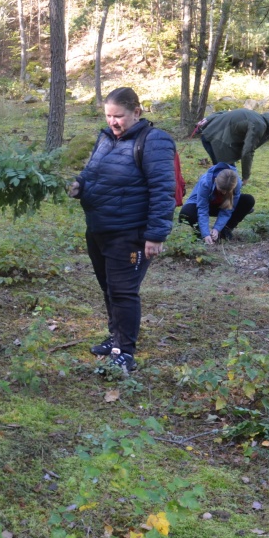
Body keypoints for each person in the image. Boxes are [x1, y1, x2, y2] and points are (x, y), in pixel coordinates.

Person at [68, 87, 176, 373]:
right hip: (99, 228)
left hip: (130, 232)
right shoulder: (105, 138)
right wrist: (79, 186)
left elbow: (163, 190)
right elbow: (91, 173)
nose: (113, 122)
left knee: (123, 291)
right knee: (108, 288)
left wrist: (155, 235)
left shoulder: (155, 141)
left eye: (119, 117)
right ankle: (115, 337)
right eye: (108, 116)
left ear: (137, 112)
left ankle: (125, 351)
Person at [195, 108, 269, 183]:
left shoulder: (255, 116)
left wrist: (205, 123)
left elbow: (225, 113)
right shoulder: (259, 126)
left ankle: (210, 190)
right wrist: (245, 177)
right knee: (228, 179)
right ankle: (206, 191)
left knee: (224, 175)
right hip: (216, 140)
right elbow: (248, 151)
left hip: (210, 134)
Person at [179, 163, 254, 244]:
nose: (224, 193)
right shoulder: (205, 182)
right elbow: (202, 209)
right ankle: (200, 233)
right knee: (186, 213)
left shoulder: (236, 183)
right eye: (221, 190)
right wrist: (205, 233)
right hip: (202, 204)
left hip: (221, 205)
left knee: (248, 200)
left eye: (227, 191)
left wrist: (217, 228)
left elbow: (228, 210)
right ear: (215, 180)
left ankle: (225, 229)